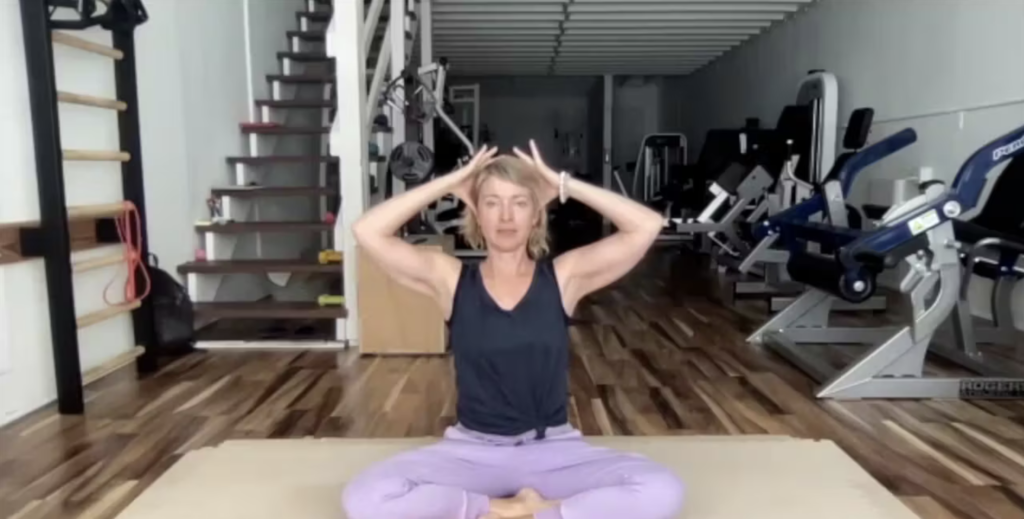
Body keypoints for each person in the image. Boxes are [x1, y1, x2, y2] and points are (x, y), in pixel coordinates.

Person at [344, 141, 684, 519]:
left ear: (536, 216)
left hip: (554, 450)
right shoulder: (451, 280)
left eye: (520, 203)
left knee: (660, 488)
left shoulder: (564, 278)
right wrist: (449, 183)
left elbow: (647, 225)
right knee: (367, 497)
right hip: (472, 452)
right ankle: (505, 510)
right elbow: (368, 230)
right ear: (476, 213)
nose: (506, 216)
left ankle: (540, 512)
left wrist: (563, 184)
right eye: (491, 203)